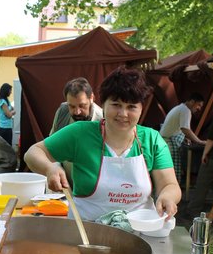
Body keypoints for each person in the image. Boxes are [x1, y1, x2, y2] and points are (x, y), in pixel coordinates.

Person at [24, 66, 181, 221]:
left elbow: (169, 185)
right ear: (103, 104)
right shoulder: (79, 133)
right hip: (86, 233)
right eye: (116, 105)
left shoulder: (152, 140)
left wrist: (168, 196)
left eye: (131, 107)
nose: (123, 114)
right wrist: (50, 168)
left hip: (138, 233)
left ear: (141, 109)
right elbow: (33, 152)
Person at [49, 77, 103, 188]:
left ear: (91, 98)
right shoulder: (62, 112)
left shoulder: (103, 120)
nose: (77, 111)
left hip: (93, 188)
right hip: (65, 185)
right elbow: (50, 148)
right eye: (72, 106)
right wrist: (54, 167)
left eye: (82, 106)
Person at [159, 92, 206, 183]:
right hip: (168, 144)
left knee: (166, 175)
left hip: (164, 141)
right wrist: (199, 141)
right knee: (169, 177)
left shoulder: (180, 108)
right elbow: (185, 129)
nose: (199, 108)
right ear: (192, 101)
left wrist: (186, 138)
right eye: (199, 105)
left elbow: (180, 129)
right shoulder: (186, 110)